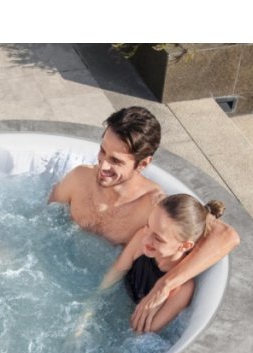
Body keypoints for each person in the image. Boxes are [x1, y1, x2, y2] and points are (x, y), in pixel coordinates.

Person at [101, 194, 238, 333]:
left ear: (184, 246)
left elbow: (144, 332)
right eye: (148, 226)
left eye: (158, 238)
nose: (146, 239)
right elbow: (116, 272)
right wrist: (92, 306)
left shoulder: (182, 290)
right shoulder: (141, 239)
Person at [49, 106, 164, 246]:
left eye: (115, 161)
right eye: (103, 151)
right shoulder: (79, 178)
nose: (103, 166)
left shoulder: (153, 208)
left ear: (143, 164)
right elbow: (45, 218)